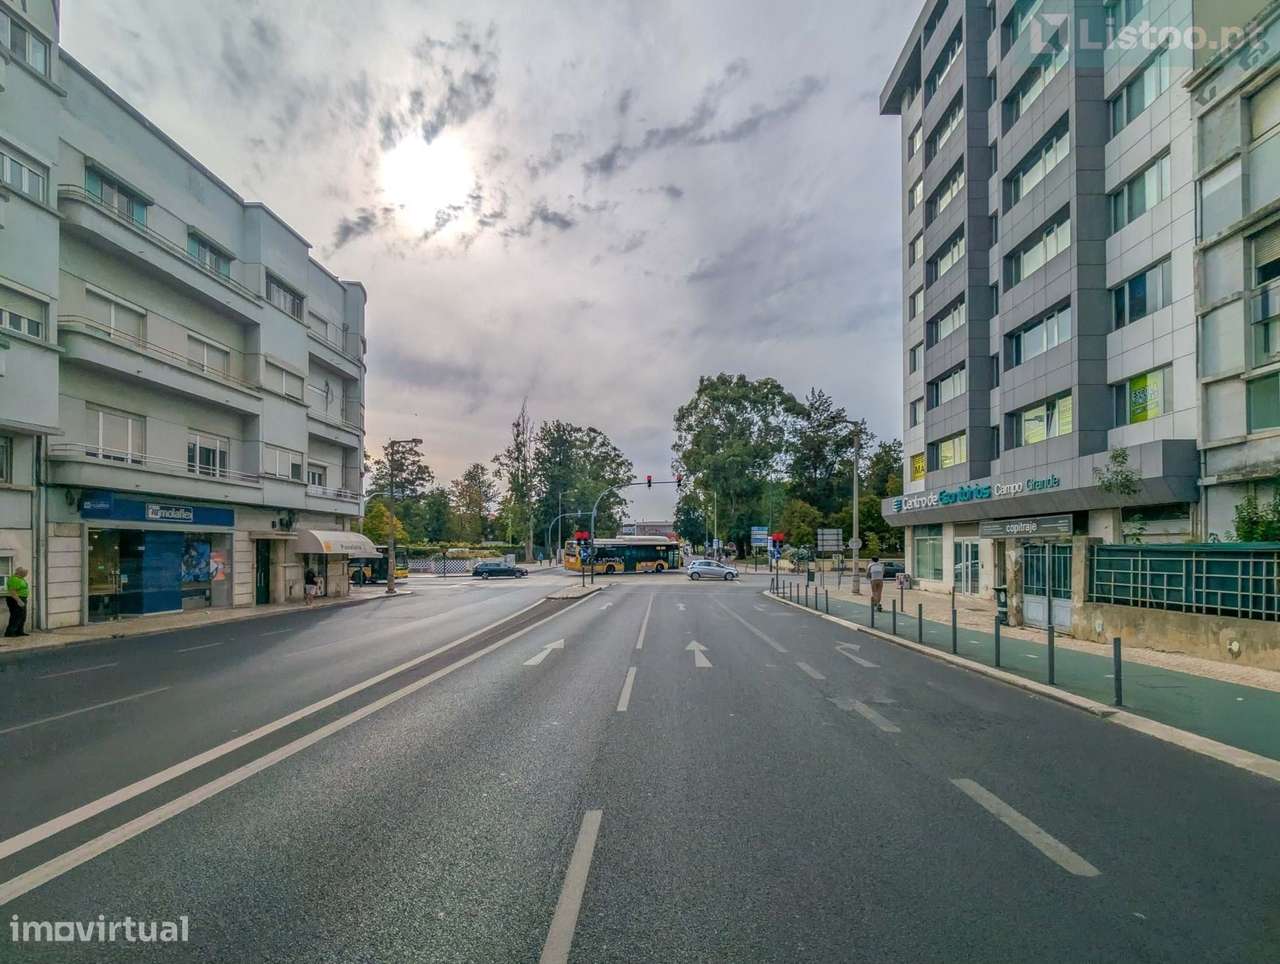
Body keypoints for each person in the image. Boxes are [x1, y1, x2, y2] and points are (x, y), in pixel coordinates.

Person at [5, 565, 30, 637]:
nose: (26, 574)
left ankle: (19, 631)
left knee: (22, 616)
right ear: (20, 572)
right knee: (16, 616)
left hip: (21, 598)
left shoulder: (21, 578)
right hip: (15, 599)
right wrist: (19, 601)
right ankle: (10, 632)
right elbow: (12, 591)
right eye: (25, 573)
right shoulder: (14, 579)